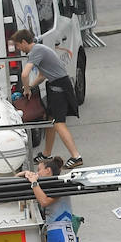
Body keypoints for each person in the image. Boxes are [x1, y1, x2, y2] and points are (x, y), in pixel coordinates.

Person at [13, 29, 83, 167]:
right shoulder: (39, 49)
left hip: (59, 87)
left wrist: (26, 88)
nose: (18, 48)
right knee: (50, 119)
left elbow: (24, 74)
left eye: (18, 45)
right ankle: (46, 154)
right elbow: (42, 75)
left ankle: (76, 156)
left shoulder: (35, 51)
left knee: (58, 122)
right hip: (55, 85)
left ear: (24, 42)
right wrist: (31, 88)